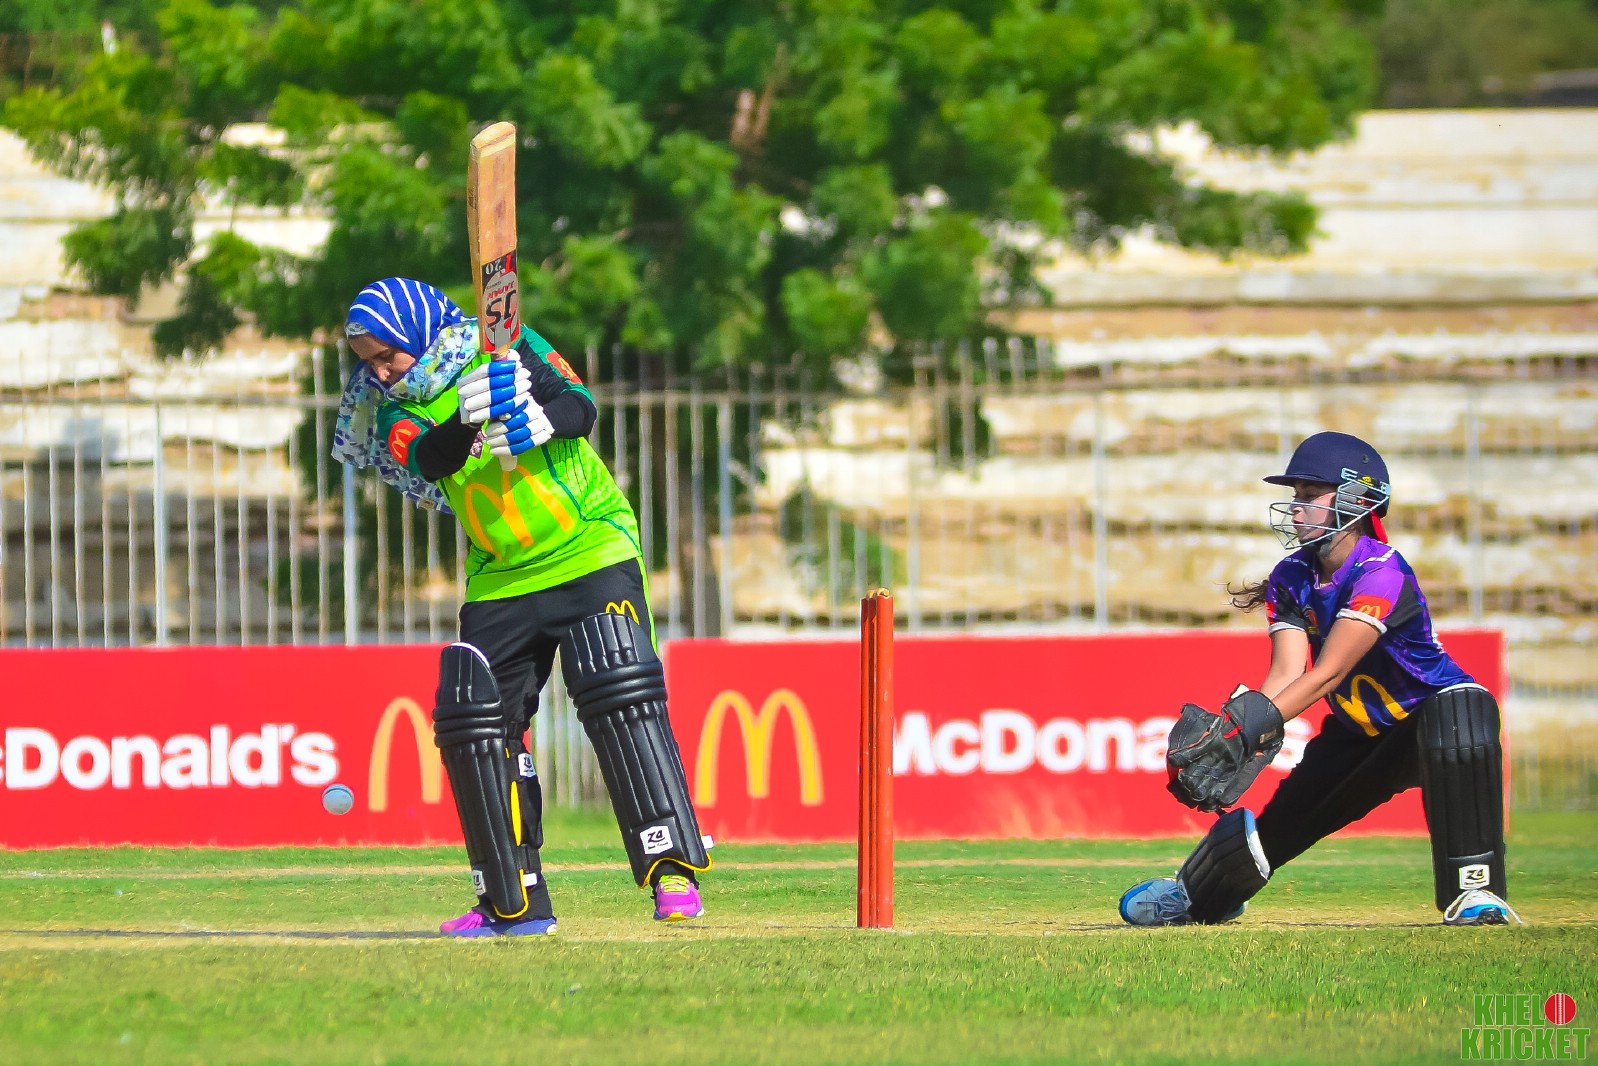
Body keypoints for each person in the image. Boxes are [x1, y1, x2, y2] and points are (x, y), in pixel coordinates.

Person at [332, 277, 711, 937]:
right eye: (369, 360)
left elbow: (580, 407)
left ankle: (670, 871)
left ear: (418, 333)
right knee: (476, 725)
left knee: (619, 691)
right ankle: (511, 900)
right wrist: (465, 418)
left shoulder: (505, 345)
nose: (380, 371)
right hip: (500, 574)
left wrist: (539, 418)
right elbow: (428, 458)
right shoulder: (391, 407)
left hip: (588, 544)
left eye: (387, 355)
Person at [1118, 431, 1518, 928]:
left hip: (1430, 719)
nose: (1296, 508)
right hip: (1357, 734)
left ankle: (1476, 894)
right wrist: (1236, 731)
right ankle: (1195, 895)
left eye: (1311, 495)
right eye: (1296, 496)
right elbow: (1286, 674)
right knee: (1279, 827)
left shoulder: (1381, 571)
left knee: (1463, 710)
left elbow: (1329, 673)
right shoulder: (1291, 575)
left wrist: (1247, 732)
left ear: (1358, 499)